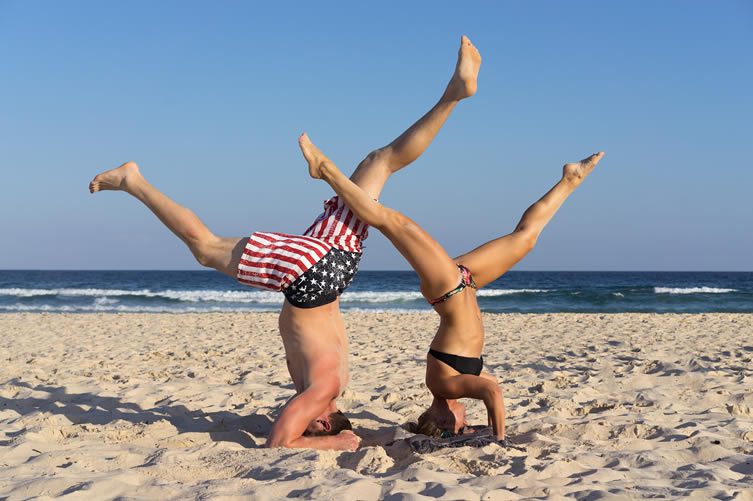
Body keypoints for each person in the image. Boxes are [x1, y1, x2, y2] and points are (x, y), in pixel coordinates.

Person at [88, 36, 482, 450]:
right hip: (310, 274)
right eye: (308, 424)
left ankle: (452, 96)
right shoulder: (321, 391)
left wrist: (372, 438)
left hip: (338, 263)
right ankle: (134, 181)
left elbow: (368, 434)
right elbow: (279, 443)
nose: (296, 415)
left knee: (378, 163)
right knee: (205, 248)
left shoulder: (336, 384)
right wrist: (334, 445)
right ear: (322, 422)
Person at [299, 132, 604, 441]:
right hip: (467, 283)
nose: (464, 419)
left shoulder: (445, 386)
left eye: (459, 424)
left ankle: (324, 169)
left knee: (390, 221)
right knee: (525, 238)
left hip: (446, 287)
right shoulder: (458, 385)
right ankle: (570, 180)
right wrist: (481, 430)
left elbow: (492, 391)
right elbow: (487, 391)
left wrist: (498, 439)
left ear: (441, 419)